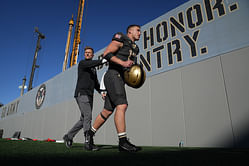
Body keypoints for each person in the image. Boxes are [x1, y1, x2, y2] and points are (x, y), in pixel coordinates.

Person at [87, 24, 142, 152]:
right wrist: (123, 63)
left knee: (107, 111)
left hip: (120, 78)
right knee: (122, 105)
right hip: (113, 75)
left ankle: (89, 135)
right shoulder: (121, 38)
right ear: (129, 32)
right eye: (138, 30)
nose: (140, 33)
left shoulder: (135, 48)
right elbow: (107, 54)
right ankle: (122, 142)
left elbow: (128, 66)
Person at [63, 46, 106, 151]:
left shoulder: (93, 69)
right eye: (86, 52)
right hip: (81, 94)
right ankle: (88, 142)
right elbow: (91, 63)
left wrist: (101, 92)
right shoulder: (83, 63)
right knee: (88, 116)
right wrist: (103, 60)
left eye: (89, 53)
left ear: (92, 54)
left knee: (83, 120)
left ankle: (68, 136)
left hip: (89, 95)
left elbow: (96, 83)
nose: (87, 54)